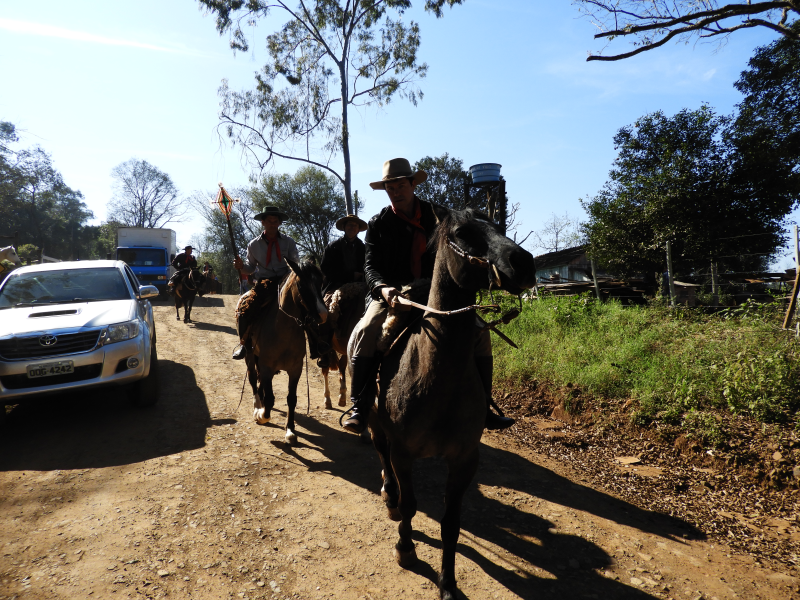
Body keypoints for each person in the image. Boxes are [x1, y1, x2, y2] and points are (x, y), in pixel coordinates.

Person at [342, 157, 514, 434]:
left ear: (412, 184)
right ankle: (360, 406)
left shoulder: (440, 215)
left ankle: (484, 406)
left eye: (400, 185)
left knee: (480, 334)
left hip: (435, 291)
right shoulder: (378, 223)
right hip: (392, 293)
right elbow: (370, 266)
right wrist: (384, 289)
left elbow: (463, 243)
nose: (396, 192)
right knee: (366, 330)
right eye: (390, 188)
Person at [231, 206, 300, 360]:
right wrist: (241, 267)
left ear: (280, 223)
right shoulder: (253, 244)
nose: (273, 224)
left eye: (276, 221)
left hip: (286, 281)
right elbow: (250, 268)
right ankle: (244, 343)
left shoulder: (289, 242)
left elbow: (296, 263)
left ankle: (316, 344)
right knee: (245, 308)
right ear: (263, 222)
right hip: (264, 283)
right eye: (269, 221)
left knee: (308, 305)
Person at [320, 214, 368, 296]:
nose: (352, 227)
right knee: (328, 305)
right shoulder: (332, 247)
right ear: (344, 227)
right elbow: (325, 269)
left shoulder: (364, 248)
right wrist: (350, 276)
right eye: (350, 224)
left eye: (355, 225)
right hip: (335, 286)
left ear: (358, 229)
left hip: (361, 285)